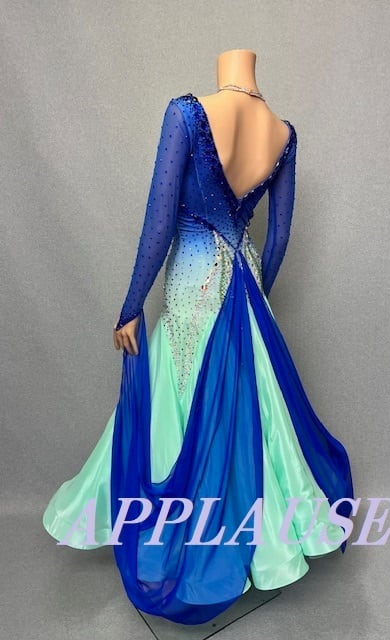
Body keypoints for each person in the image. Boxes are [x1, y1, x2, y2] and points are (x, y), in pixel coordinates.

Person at [42, 48, 354, 625]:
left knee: (183, 402)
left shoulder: (185, 113)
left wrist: (130, 307)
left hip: (192, 279)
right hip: (245, 277)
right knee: (246, 407)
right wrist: (256, 295)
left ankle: (186, 544)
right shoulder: (283, 134)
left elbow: (159, 221)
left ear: (223, 67)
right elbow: (279, 235)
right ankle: (253, 542)